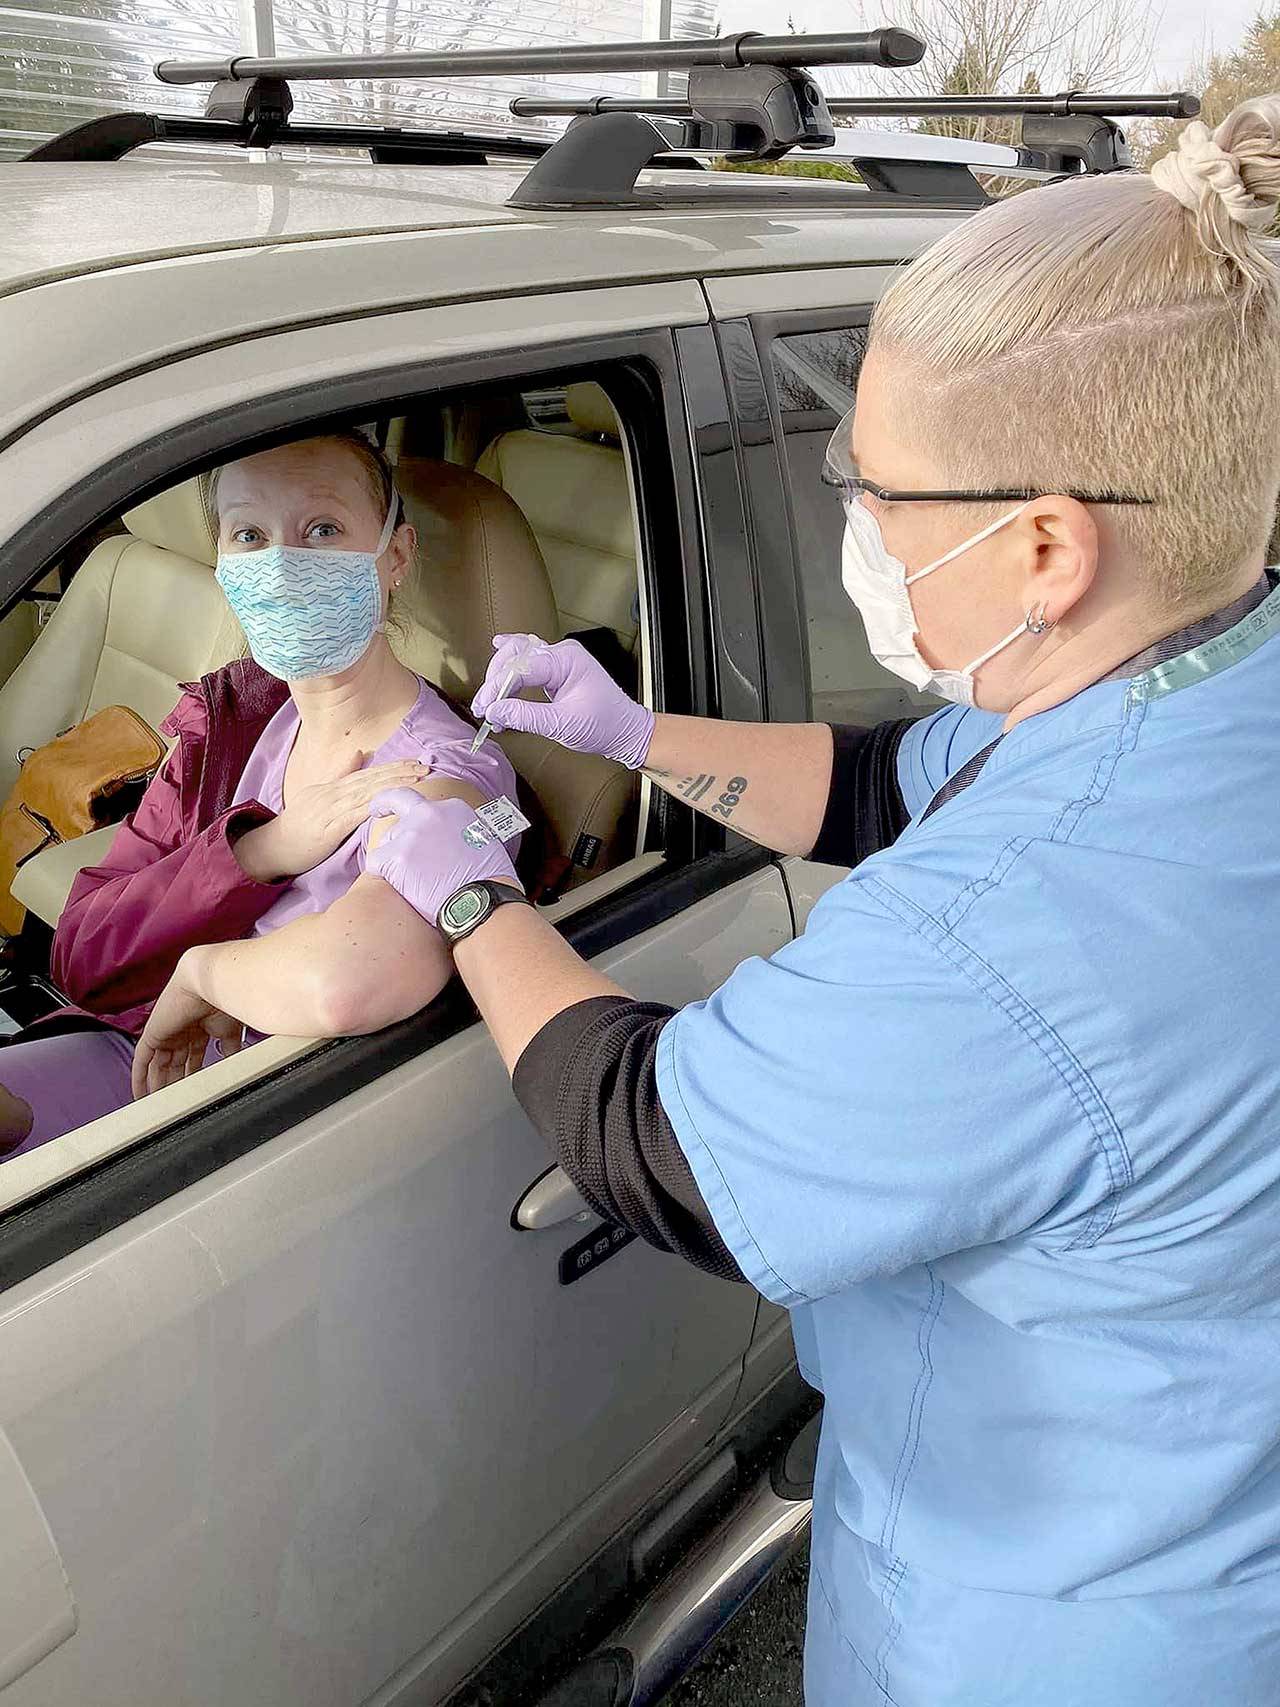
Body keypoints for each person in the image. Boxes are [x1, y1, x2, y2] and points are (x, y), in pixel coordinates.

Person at [355, 98, 1280, 1705]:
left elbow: (652, 1137)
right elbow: (888, 782)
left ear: (1046, 543)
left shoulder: (1004, 933)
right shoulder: (1206, 669)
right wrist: (632, 733)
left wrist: (461, 888)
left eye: (879, 491)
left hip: (1055, 1629)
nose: (853, 517)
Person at [0, 431, 517, 1160]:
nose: (281, 564)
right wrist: (257, 849)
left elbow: (353, 973)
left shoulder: (450, 767)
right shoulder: (228, 722)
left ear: (395, 558)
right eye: (249, 534)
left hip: (259, 1128)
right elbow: (82, 953)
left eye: (323, 529)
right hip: (138, 1063)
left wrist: (201, 970)